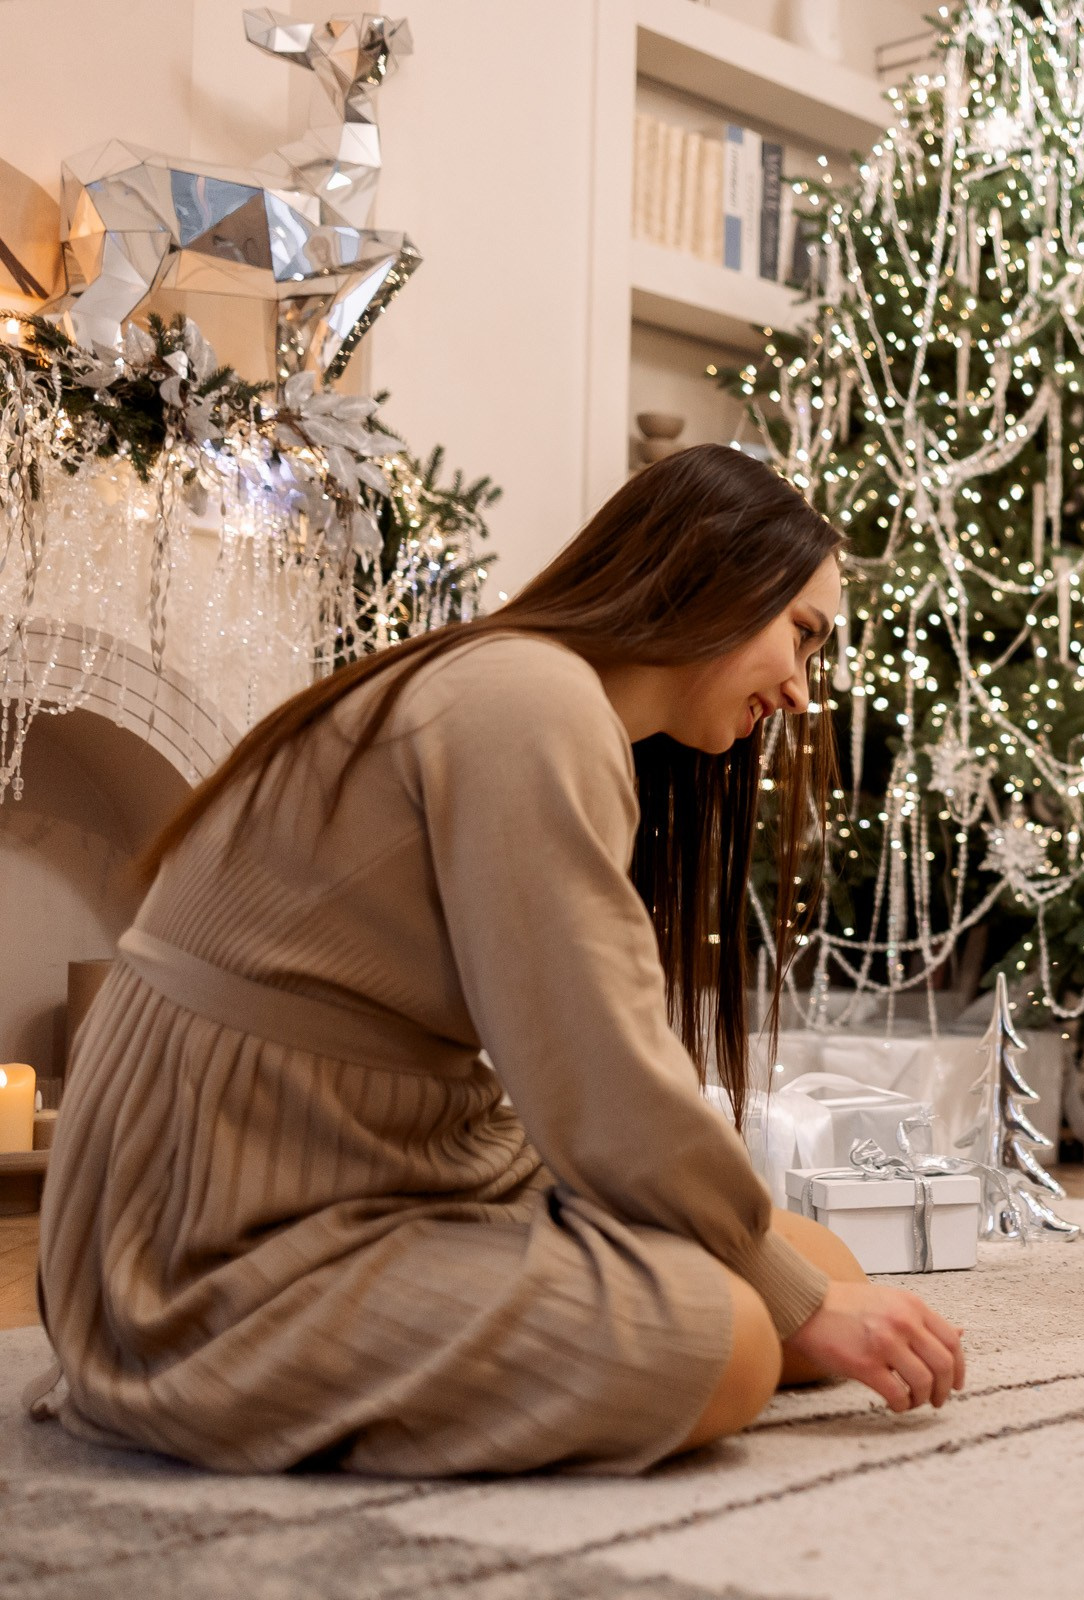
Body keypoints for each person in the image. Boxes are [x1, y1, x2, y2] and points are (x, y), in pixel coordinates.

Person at [33, 446, 966, 1476]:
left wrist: (792, 1284)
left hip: (395, 1144)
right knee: (737, 1343)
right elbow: (596, 1076)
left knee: (811, 1268)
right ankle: (199, 1365)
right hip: (233, 1205)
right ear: (716, 578)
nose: (799, 691)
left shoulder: (545, 695)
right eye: (803, 635)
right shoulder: (532, 702)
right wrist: (785, 1295)